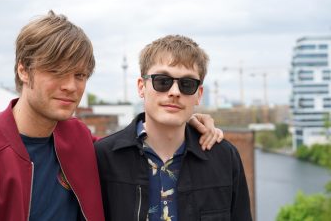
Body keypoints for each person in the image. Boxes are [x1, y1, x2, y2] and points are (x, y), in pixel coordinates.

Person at [0, 11, 222, 221]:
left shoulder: (79, 139)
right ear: (23, 70)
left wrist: (185, 122)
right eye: (56, 71)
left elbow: (132, 147)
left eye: (80, 74)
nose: (71, 86)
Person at [95, 35, 252, 220]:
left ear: (198, 94)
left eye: (187, 84)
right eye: (162, 81)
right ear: (141, 87)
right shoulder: (104, 157)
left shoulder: (225, 158)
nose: (175, 92)